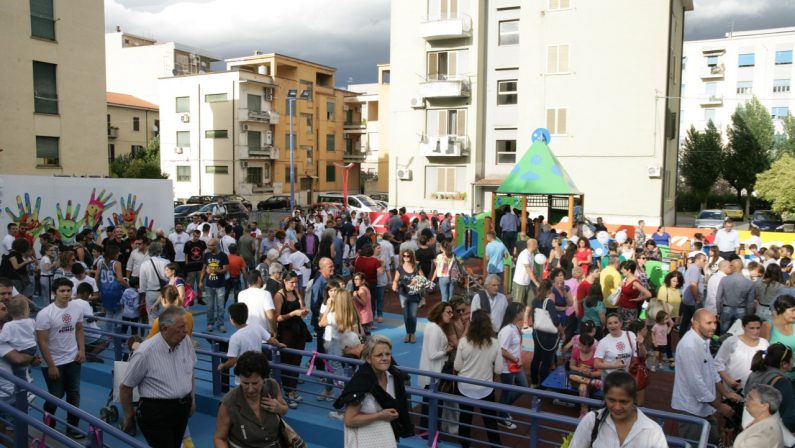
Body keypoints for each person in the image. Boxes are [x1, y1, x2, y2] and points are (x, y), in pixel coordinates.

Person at [121, 306, 196, 448]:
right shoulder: (145, 353)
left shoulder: (185, 341)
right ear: (165, 329)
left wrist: (192, 399)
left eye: (185, 326)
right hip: (157, 412)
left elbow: (190, 371)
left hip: (182, 409)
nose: (186, 330)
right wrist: (128, 415)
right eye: (181, 327)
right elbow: (126, 386)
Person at [672, 309, 741, 444]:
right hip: (691, 409)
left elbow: (711, 371)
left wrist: (726, 393)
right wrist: (720, 407)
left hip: (704, 408)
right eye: (709, 323)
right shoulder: (689, 346)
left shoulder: (703, 340)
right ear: (696, 324)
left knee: (711, 441)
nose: (714, 327)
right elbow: (696, 384)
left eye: (715, 322)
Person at [334, 336, 413, 448]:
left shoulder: (394, 377)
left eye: (388, 354)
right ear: (368, 359)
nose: (385, 358)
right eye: (379, 355)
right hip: (363, 439)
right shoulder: (361, 382)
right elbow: (349, 420)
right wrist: (380, 415)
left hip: (386, 436)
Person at [35, 277, 85, 439]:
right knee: (56, 395)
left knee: (74, 393)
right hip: (53, 361)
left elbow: (79, 329)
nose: (66, 294)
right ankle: (49, 420)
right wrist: (51, 365)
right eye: (62, 291)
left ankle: (72, 426)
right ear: (54, 293)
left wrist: (82, 350)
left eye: (68, 290)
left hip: (72, 358)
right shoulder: (45, 314)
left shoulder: (77, 308)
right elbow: (41, 341)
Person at [569, 370, 667, 448]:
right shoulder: (591, 421)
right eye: (611, 400)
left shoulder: (653, 432)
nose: (617, 407)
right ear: (605, 397)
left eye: (624, 402)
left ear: (634, 399)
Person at [213, 350, 290, 448]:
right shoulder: (228, 403)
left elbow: (284, 410)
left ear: (264, 379)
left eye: (255, 383)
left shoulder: (272, 386)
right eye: (245, 383)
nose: (250, 389)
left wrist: (279, 408)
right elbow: (219, 438)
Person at [454, 310, 504, 448]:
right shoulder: (494, 343)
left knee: (465, 419)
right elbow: (499, 369)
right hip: (485, 388)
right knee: (490, 421)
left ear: (472, 324)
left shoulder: (464, 341)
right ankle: (496, 445)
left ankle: (465, 445)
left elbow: (457, 366)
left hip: (464, 387)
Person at [217, 303, 281, 385]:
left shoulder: (235, 338)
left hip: (244, 377)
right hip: (258, 372)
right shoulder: (256, 327)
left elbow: (232, 361)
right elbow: (271, 340)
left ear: (232, 320)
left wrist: (223, 366)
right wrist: (279, 344)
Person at [273, 271, 310, 406]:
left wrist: (303, 311)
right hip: (286, 332)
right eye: (291, 282)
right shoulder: (279, 296)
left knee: (296, 361)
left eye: (296, 282)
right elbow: (277, 317)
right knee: (286, 362)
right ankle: (288, 392)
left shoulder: (295, 292)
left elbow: (301, 307)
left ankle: (292, 390)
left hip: (299, 331)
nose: (294, 285)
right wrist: (294, 313)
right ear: (284, 281)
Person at [744, 343, 795, 435]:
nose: (793, 361)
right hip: (770, 434)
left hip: (750, 428)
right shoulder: (782, 381)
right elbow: (790, 417)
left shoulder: (754, 374)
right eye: (792, 358)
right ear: (784, 364)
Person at [418, 302, 454, 431]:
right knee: (433, 410)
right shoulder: (434, 329)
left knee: (429, 409)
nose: (451, 315)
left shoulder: (433, 327)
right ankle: (430, 436)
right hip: (433, 376)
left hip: (431, 375)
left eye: (451, 312)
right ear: (440, 312)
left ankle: (427, 435)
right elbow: (433, 354)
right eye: (448, 312)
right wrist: (447, 351)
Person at [497, 302, 528, 428]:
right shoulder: (507, 330)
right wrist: (516, 359)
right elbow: (502, 350)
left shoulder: (513, 327)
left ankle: (503, 410)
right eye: (522, 311)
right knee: (507, 392)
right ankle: (502, 416)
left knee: (523, 387)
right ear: (517, 313)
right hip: (508, 368)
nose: (524, 313)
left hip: (515, 366)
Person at [530, 279, 561, 386]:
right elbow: (556, 322)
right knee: (546, 361)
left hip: (537, 334)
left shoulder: (535, 301)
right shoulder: (549, 302)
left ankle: (534, 382)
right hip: (548, 337)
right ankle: (543, 385)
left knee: (536, 358)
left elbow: (533, 317)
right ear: (550, 289)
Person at [0, 296, 37, 379]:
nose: (6, 311)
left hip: (21, 349)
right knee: (23, 368)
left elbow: (2, 338)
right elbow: (18, 359)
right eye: (3, 309)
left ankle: (24, 380)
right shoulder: (31, 321)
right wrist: (33, 358)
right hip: (32, 347)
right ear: (25, 312)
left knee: (20, 370)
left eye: (6, 309)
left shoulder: (8, 325)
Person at [761, 295, 795, 380]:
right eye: (792, 310)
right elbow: (761, 354)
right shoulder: (768, 326)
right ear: (780, 309)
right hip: (776, 378)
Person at [718, 259, 756, 333]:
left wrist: (719, 311)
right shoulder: (749, 283)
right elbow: (750, 303)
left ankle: (722, 344)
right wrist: (749, 315)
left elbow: (718, 297)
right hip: (741, 310)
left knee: (723, 332)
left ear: (733, 267)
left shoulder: (724, 279)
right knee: (738, 333)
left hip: (726, 308)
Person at [392, 250, 423, 344]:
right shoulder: (400, 268)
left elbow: (423, 278)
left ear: (411, 256)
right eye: (404, 256)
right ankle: (407, 333)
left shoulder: (417, 267)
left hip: (414, 293)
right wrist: (394, 285)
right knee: (406, 315)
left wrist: (417, 280)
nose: (406, 257)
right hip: (403, 294)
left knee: (413, 315)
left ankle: (412, 333)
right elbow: (395, 280)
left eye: (408, 256)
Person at [569, 333, 602, 417]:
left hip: (590, 377)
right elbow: (572, 366)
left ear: (591, 346)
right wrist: (580, 369)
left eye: (587, 347)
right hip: (579, 377)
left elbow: (600, 371)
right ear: (579, 343)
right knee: (570, 375)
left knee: (582, 387)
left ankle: (583, 411)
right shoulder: (576, 351)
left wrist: (591, 373)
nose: (584, 349)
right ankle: (591, 382)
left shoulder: (596, 353)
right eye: (582, 346)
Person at [595, 314, 635, 382]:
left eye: (616, 322)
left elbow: (639, 355)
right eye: (610, 323)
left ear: (621, 323)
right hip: (610, 377)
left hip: (627, 376)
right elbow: (596, 364)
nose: (613, 325)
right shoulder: (603, 342)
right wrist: (614, 366)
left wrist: (641, 345)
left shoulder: (630, 335)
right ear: (607, 326)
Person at [96, 245, 128, 332]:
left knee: (109, 312)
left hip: (104, 291)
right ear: (114, 254)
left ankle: (109, 334)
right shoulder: (117, 263)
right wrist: (128, 286)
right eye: (118, 253)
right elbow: (120, 279)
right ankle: (117, 333)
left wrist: (99, 289)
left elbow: (96, 277)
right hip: (115, 291)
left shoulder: (100, 262)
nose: (119, 254)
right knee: (119, 311)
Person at [200, 238, 229, 332]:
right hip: (209, 285)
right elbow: (204, 269)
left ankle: (220, 324)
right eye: (208, 245)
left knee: (220, 306)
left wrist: (214, 270)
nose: (208, 247)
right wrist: (201, 281)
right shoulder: (206, 255)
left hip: (220, 285)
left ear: (216, 245)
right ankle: (210, 323)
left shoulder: (223, 256)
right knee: (210, 306)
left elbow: (225, 269)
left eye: (211, 245)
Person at [139, 242, 170, 324]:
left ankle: (153, 335)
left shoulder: (144, 264)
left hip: (150, 293)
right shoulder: (166, 262)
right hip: (164, 293)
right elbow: (170, 279)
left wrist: (142, 295)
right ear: (160, 251)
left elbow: (142, 284)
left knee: (152, 318)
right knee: (165, 318)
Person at [616, 260, 651, 325]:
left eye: (623, 269)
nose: (622, 271)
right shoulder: (625, 279)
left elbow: (648, 294)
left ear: (629, 270)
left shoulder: (635, 282)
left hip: (630, 310)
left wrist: (637, 299)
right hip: (621, 307)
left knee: (629, 330)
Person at [680, 253, 707, 337]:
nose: (705, 262)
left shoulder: (693, 269)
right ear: (698, 260)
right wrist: (697, 299)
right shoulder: (695, 269)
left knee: (686, 322)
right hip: (692, 302)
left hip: (689, 300)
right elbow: (693, 285)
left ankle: (683, 338)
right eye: (704, 260)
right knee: (694, 323)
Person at [513, 239, 542, 305]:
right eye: (536, 244)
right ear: (533, 245)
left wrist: (538, 278)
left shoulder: (531, 254)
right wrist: (536, 283)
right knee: (518, 304)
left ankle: (526, 315)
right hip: (520, 283)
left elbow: (533, 269)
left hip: (527, 282)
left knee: (530, 302)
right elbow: (529, 270)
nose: (538, 246)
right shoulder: (524, 255)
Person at [183, 230, 207, 305]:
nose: (197, 237)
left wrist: (204, 264)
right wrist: (186, 265)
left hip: (200, 266)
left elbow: (203, 254)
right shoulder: (188, 244)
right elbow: (186, 255)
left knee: (200, 283)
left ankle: (200, 298)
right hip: (191, 267)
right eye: (195, 236)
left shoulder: (202, 243)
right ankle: (191, 299)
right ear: (193, 235)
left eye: (198, 236)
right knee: (190, 284)